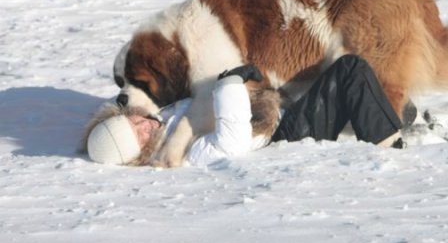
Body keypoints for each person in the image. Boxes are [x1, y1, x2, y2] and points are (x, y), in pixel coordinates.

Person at [81, 55, 406, 167]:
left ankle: (391, 114)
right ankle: (392, 148)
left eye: (133, 122)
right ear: (138, 154)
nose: (143, 128)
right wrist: (230, 85)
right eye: (137, 138)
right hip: (285, 135)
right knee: (349, 70)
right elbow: (232, 140)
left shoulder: (160, 119)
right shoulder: (180, 154)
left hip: (276, 112)